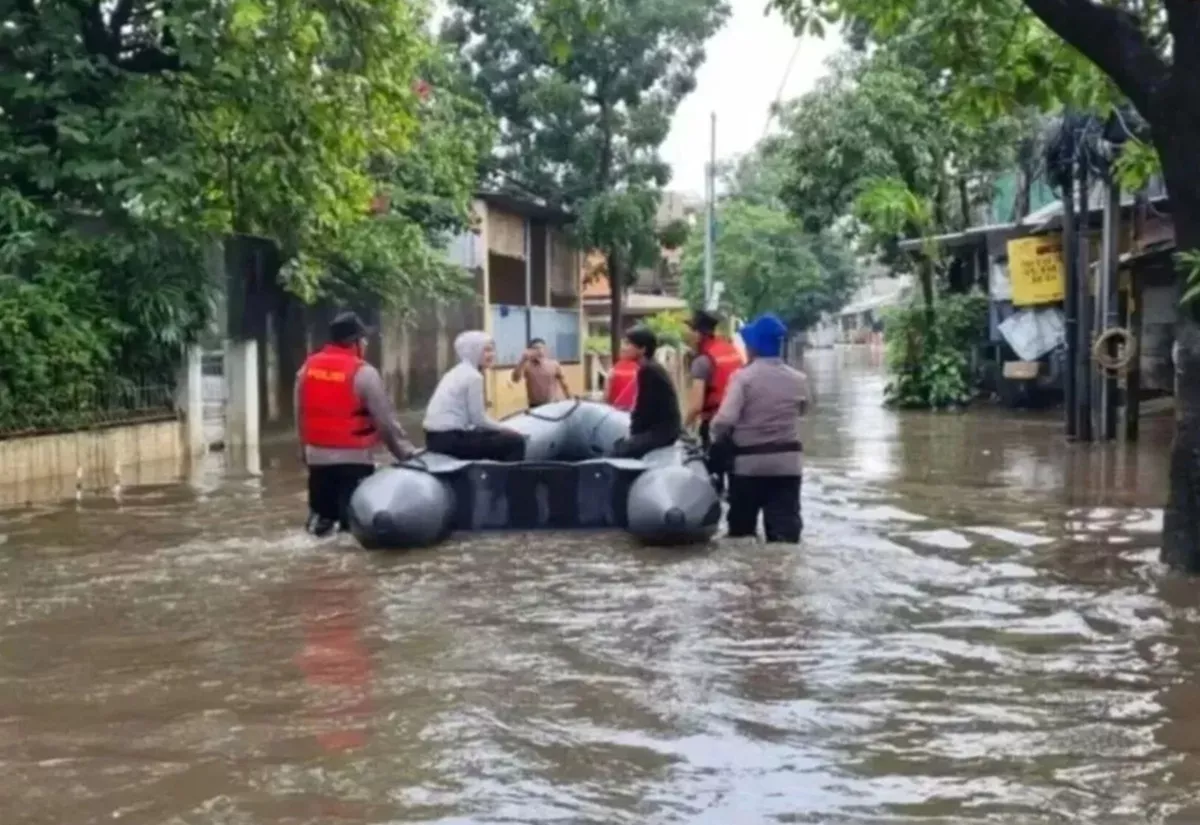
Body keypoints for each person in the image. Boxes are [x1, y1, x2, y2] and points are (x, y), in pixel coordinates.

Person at [295, 311, 417, 537]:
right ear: (356, 342)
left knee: (322, 523)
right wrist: (407, 454)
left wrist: (305, 452)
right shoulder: (364, 373)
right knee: (351, 526)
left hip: (317, 459)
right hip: (354, 460)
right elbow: (386, 423)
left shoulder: (307, 369)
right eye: (364, 338)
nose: (366, 343)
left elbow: (300, 415)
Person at [709, 313, 809, 542]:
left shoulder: (743, 378)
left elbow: (725, 420)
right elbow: (803, 410)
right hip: (788, 466)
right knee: (785, 537)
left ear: (753, 347)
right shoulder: (799, 379)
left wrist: (716, 438)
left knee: (742, 535)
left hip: (748, 467)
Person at [423, 330, 527, 461]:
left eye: (492, 350)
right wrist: (506, 428)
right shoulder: (474, 377)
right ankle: (507, 481)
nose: (492, 355)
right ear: (473, 351)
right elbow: (478, 419)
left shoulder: (456, 371)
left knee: (488, 435)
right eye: (486, 351)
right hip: (449, 440)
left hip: (433, 438)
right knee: (515, 442)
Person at [683, 309, 744, 490]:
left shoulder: (702, 362)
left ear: (699, 334)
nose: (686, 335)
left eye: (690, 330)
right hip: (739, 426)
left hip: (714, 427)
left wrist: (682, 429)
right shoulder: (731, 351)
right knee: (737, 484)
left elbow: (695, 406)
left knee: (711, 483)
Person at [611, 326, 682, 458]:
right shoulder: (651, 368)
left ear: (642, 349)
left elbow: (644, 408)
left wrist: (633, 436)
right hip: (663, 430)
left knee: (616, 451)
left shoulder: (648, 371)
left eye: (628, 344)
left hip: (661, 433)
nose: (623, 347)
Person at [511, 337, 570, 408]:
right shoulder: (527, 365)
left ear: (545, 350)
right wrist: (523, 360)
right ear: (530, 351)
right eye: (535, 348)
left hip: (552, 405)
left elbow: (564, 384)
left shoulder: (554, 364)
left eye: (541, 348)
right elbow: (515, 379)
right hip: (535, 406)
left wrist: (570, 399)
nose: (539, 351)